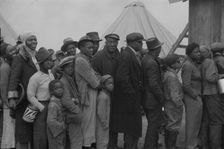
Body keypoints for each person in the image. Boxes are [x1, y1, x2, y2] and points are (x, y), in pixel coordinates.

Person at [112, 32, 144, 149]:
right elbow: (122, 77)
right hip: (129, 99)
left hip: (131, 97)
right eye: (140, 42)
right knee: (131, 128)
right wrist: (132, 93)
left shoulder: (131, 54)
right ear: (133, 43)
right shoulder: (127, 55)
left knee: (132, 128)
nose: (141, 44)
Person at [8, 32, 39, 149]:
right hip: (24, 101)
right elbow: (14, 79)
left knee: (33, 131)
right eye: (30, 40)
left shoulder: (35, 57)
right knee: (23, 133)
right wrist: (12, 98)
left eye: (35, 39)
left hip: (34, 100)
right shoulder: (19, 58)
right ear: (25, 42)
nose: (34, 42)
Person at [91, 33, 120, 149]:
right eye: (110, 42)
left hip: (116, 93)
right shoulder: (98, 56)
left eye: (114, 42)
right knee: (102, 120)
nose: (112, 44)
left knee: (114, 119)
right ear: (106, 43)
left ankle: (113, 144)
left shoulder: (120, 55)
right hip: (103, 93)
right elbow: (94, 74)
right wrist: (104, 83)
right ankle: (101, 145)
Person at [75, 36, 101, 149]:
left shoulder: (85, 58)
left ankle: (88, 143)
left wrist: (97, 78)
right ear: (81, 47)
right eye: (89, 47)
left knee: (90, 121)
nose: (92, 49)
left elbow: (96, 76)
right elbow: (95, 82)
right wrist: (99, 79)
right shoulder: (81, 60)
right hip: (87, 94)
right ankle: (86, 145)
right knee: (87, 121)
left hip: (90, 92)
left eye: (92, 47)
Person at [27, 47, 54, 149]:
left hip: (51, 105)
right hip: (40, 107)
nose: (49, 62)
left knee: (50, 133)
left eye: (50, 60)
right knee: (40, 134)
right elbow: (30, 96)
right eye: (46, 60)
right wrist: (41, 107)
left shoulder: (51, 75)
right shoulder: (35, 77)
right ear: (40, 63)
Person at [141, 37, 164, 149]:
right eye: (160, 47)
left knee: (153, 124)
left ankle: (152, 145)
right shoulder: (151, 62)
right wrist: (161, 97)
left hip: (147, 98)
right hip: (152, 99)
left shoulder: (146, 59)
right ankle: (149, 146)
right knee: (153, 125)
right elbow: (153, 84)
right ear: (157, 48)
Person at [200, 45, 224, 149]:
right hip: (213, 93)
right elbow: (210, 77)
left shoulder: (203, 62)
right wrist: (220, 76)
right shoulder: (211, 62)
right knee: (217, 121)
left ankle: (204, 144)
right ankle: (216, 145)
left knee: (206, 120)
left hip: (205, 94)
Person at [181, 43, 202, 149]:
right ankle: (190, 145)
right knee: (192, 122)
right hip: (192, 97)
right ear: (189, 53)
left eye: (199, 51)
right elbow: (186, 85)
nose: (199, 53)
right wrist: (195, 95)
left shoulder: (192, 64)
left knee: (196, 122)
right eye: (196, 52)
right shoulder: (188, 65)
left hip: (195, 97)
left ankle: (192, 143)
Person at [59, 56, 82, 149]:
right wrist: (78, 111)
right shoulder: (63, 81)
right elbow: (66, 101)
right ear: (63, 69)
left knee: (74, 140)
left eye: (72, 66)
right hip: (71, 114)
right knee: (76, 139)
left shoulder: (69, 79)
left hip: (72, 114)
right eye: (68, 67)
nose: (71, 69)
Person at [162, 54, 184, 149]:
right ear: (172, 64)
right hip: (173, 104)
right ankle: (171, 146)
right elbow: (174, 95)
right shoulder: (171, 76)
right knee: (173, 125)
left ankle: (171, 145)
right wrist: (179, 104)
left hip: (169, 103)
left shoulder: (168, 74)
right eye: (178, 61)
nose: (180, 63)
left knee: (170, 124)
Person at [0, 44, 16, 149]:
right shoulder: (5, 67)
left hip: (11, 103)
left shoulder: (11, 65)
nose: (14, 52)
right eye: (10, 51)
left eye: (14, 50)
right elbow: (3, 87)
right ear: (5, 55)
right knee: (9, 129)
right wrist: (7, 103)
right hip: (8, 104)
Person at [47, 80, 66, 149]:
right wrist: (62, 125)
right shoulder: (53, 105)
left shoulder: (58, 101)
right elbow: (51, 121)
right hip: (56, 134)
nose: (60, 90)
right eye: (56, 88)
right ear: (51, 91)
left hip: (59, 134)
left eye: (61, 88)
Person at [96, 75, 114, 149]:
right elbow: (100, 112)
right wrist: (104, 123)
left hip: (104, 124)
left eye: (112, 83)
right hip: (102, 124)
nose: (112, 85)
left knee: (104, 140)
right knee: (102, 141)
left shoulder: (106, 95)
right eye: (109, 83)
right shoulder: (103, 97)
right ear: (103, 85)